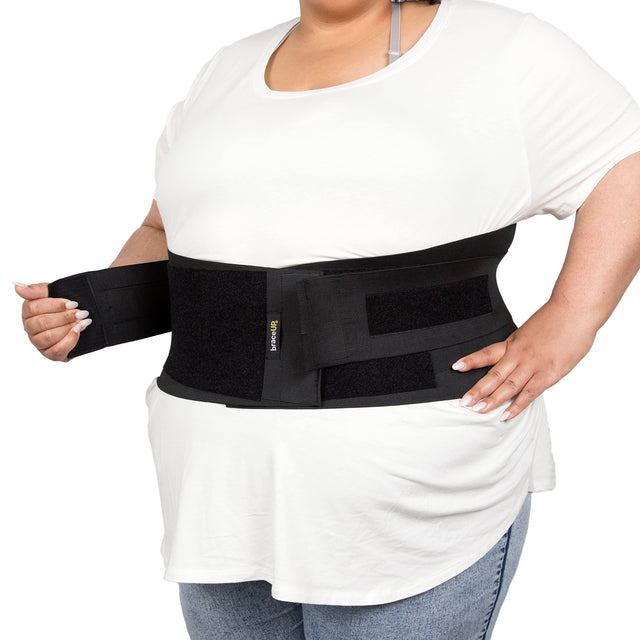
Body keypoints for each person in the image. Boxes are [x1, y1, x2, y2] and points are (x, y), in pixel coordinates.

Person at [13, 0, 640, 638]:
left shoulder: (503, 47)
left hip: (414, 494)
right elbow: (164, 230)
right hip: (217, 493)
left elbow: (625, 163)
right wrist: (92, 312)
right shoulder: (226, 69)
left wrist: (573, 318)